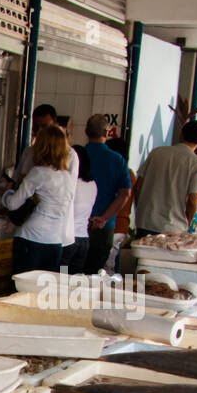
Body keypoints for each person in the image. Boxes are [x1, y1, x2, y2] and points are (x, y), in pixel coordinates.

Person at [2, 124, 74, 274]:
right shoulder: (67, 177)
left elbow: (13, 205)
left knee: (21, 290)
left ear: (42, 146)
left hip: (31, 238)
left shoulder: (38, 173)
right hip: (55, 242)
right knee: (44, 292)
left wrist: (7, 193)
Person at [132, 120, 197, 236]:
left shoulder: (157, 152)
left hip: (145, 222)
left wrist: (141, 210)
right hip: (173, 227)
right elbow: (193, 200)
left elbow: (138, 187)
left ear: (181, 135)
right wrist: (187, 222)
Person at [81, 115, 132, 274]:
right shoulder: (117, 160)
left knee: (70, 274)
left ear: (86, 131)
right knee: (94, 274)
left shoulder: (76, 155)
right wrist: (104, 218)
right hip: (104, 228)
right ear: (107, 132)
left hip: (76, 225)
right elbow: (125, 194)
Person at [62, 144, 96, 272]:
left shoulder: (71, 183)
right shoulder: (93, 184)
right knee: (73, 283)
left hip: (68, 238)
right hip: (84, 239)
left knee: (60, 281)